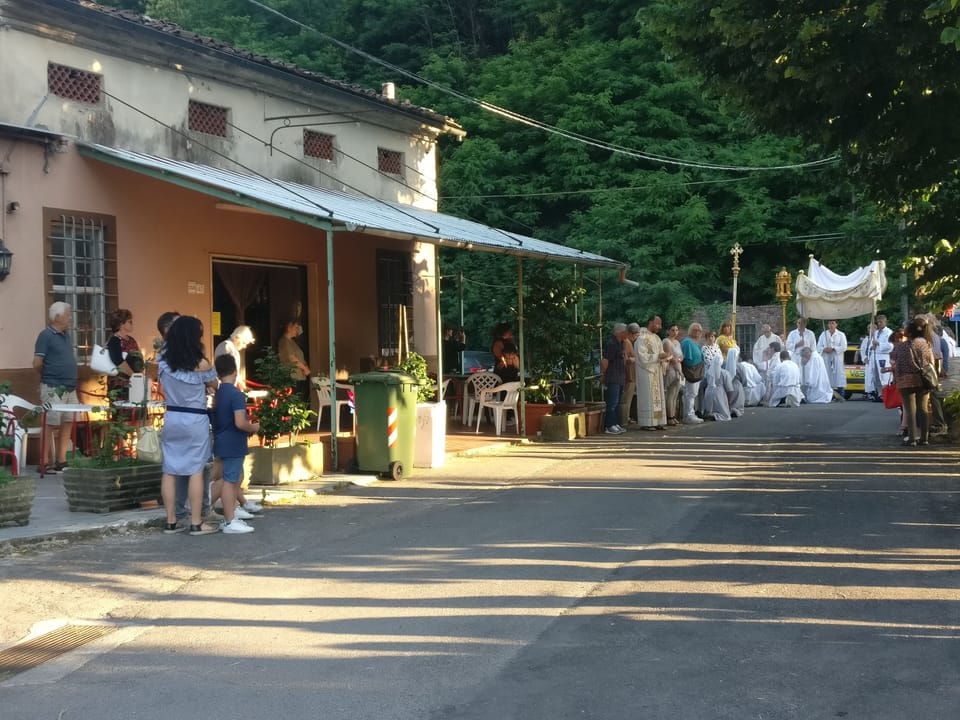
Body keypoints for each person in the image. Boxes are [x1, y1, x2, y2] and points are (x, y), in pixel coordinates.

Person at [158, 316, 219, 536]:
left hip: (172, 416)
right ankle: (196, 522)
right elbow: (214, 384)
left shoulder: (163, 360)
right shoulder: (202, 363)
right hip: (195, 418)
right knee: (195, 470)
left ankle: (171, 522)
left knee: (169, 469)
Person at [210, 354, 260, 534]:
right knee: (231, 482)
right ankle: (230, 520)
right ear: (235, 371)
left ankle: (225, 515)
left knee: (224, 478)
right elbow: (240, 422)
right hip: (234, 442)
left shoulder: (219, 393)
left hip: (221, 440)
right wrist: (253, 426)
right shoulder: (236, 394)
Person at [33, 301, 78, 472]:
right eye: (68, 314)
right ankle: (43, 462)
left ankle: (61, 460)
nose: (70, 317)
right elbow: (37, 363)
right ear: (57, 316)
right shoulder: (45, 335)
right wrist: (48, 375)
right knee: (50, 422)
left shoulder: (66, 336)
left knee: (68, 421)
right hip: (52, 386)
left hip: (70, 387)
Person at [890, 315, 934, 446]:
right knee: (923, 409)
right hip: (923, 379)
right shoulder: (926, 344)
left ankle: (912, 438)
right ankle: (924, 438)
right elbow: (931, 361)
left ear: (908, 332)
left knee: (910, 410)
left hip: (905, 381)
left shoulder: (900, 347)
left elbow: (895, 362)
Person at [634, 316, 668, 430]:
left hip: (656, 370)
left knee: (657, 398)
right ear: (651, 322)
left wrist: (664, 357)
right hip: (646, 372)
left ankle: (658, 421)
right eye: (658, 324)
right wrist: (658, 356)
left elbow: (661, 353)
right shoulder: (641, 338)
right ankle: (647, 423)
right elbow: (641, 357)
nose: (660, 326)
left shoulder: (657, 338)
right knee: (648, 398)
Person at [106, 308, 143, 397]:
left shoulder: (131, 339)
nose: (132, 324)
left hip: (135, 382)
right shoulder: (115, 340)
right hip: (121, 385)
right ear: (121, 324)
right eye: (130, 322)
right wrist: (134, 376)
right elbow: (118, 361)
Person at [600, 322, 628, 434]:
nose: (626, 334)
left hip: (620, 377)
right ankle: (609, 425)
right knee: (612, 402)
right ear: (619, 332)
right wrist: (603, 374)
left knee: (617, 402)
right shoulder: (611, 343)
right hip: (613, 377)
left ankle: (615, 423)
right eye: (625, 332)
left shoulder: (621, 344)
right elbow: (605, 360)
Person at [214, 325, 255, 391]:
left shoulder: (230, 348)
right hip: (225, 387)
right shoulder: (227, 347)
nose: (244, 346)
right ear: (237, 337)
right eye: (244, 343)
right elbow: (227, 371)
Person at [278, 319, 310, 400]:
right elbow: (292, 358)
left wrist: (305, 367)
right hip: (292, 376)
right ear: (289, 328)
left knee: (300, 399)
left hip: (299, 376)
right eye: (296, 327)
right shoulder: (284, 341)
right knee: (294, 400)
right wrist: (304, 368)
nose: (297, 330)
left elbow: (299, 356)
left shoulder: (292, 342)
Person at [681, 322, 704, 424]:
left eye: (699, 330)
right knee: (690, 393)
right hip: (691, 371)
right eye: (695, 330)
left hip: (697, 371)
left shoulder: (695, 343)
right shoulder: (687, 342)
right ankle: (689, 415)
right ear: (690, 330)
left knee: (693, 393)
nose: (697, 332)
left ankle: (691, 413)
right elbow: (685, 358)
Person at [662, 323, 684, 426]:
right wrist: (677, 361)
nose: (675, 332)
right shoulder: (667, 342)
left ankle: (673, 415)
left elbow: (681, 356)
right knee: (670, 394)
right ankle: (669, 417)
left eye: (676, 330)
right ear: (668, 331)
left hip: (678, 367)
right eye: (672, 330)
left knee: (675, 394)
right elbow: (671, 357)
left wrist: (679, 360)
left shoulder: (677, 342)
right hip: (671, 369)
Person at [817, 320, 847, 395]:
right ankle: (828, 394)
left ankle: (840, 393)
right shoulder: (823, 334)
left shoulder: (841, 335)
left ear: (836, 324)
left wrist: (833, 348)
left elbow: (844, 347)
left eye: (833, 323)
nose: (831, 325)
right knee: (826, 374)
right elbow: (818, 346)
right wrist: (824, 349)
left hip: (837, 358)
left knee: (839, 375)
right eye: (829, 323)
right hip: (826, 358)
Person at [620, 322, 641, 427]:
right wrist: (635, 359)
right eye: (636, 335)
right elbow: (626, 359)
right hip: (629, 374)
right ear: (632, 333)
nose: (636, 337)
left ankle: (626, 417)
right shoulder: (627, 342)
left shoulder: (628, 342)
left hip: (630, 373)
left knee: (628, 397)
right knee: (627, 397)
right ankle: (624, 418)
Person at [870, 314, 894, 397]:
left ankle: (887, 394)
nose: (879, 323)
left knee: (884, 376)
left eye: (881, 322)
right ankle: (880, 394)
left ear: (885, 322)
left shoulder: (889, 332)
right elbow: (871, 344)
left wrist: (879, 343)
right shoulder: (875, 333)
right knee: (876, 376)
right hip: (875, 356)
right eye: (878, 322)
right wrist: (872, 346)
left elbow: (890, 346)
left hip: (884, 357)